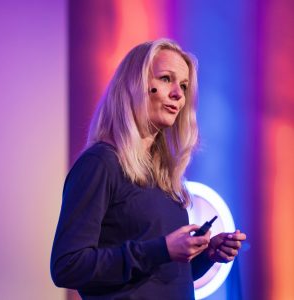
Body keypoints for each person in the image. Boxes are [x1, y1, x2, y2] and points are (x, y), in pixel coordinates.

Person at [50, 38, 246, 300]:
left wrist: (207, 255)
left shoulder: (163, 178)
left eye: (184, 86)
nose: (178, 94)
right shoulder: (101, 163)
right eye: (167, 79)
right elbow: (67, 266)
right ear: (134, 86)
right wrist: (161, 249)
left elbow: (159, 278)